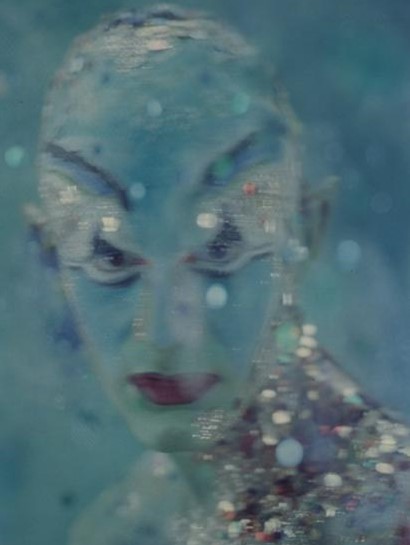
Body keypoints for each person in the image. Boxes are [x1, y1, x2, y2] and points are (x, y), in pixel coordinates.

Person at [34, 4, 410, 544]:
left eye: (223, 244)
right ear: (51, 256)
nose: (164, 332)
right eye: (107, 253)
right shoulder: (123, 524)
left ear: (304, 235)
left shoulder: (383, 516)